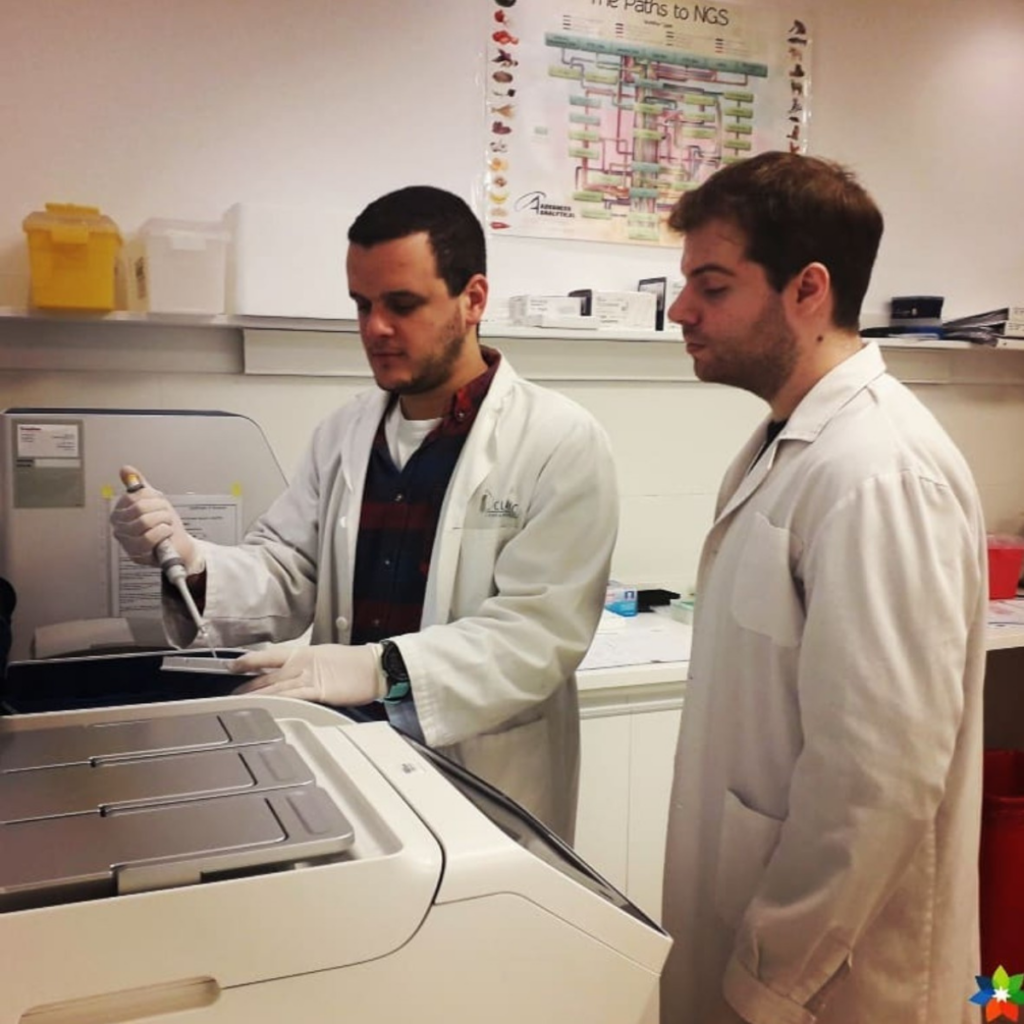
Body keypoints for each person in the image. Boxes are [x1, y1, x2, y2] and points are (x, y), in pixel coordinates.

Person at [110, 185, 619, 841]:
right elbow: (288, 568)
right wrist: (191, 560)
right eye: (362, 304)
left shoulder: (558, 440)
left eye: (402, 305)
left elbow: (536, 636)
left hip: (485, 777)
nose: (375, 328)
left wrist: (381, 670)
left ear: (473, 300)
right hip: (353, 756)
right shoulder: (344, 433)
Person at [660, 152, 987, 1023]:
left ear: (808, 289)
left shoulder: (880, 473)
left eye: (712, 286)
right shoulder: (792, 446)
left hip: (829, 979)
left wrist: (773, 978)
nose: (681, 309)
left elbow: (879, 777)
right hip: (764, 929)